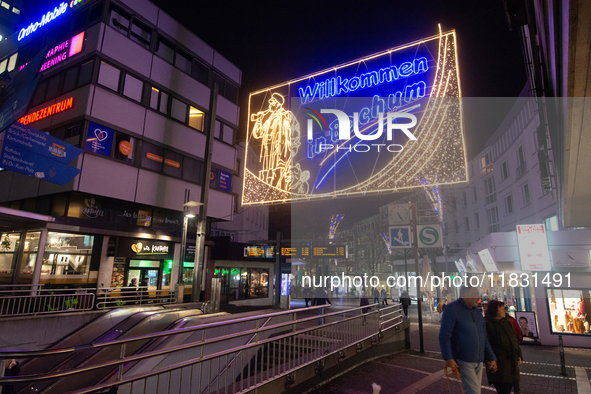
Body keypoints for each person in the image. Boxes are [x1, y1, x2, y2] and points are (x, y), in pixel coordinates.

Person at [439, 285, 497, 394]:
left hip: (479, 360)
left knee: (474, 390)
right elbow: (444, 335)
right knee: (473, 391)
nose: (478, 298)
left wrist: (491, 357)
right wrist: (448, 358)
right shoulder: (452, 309)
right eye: (475, 295)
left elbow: (483, 337)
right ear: (466, 295)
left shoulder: (477, 312)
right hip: (464, 358)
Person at [485, 300, 522, 394]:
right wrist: (489, 360)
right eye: (501, 309)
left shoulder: (508, 323)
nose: (504, 311)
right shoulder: (487, 325)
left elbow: (515, 341)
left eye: (504, 308)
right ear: (494, 311)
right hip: (499, 366)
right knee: (504, 390)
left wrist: (519, 355)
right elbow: (485, 344)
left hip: (512, 365)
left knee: (509, 389)